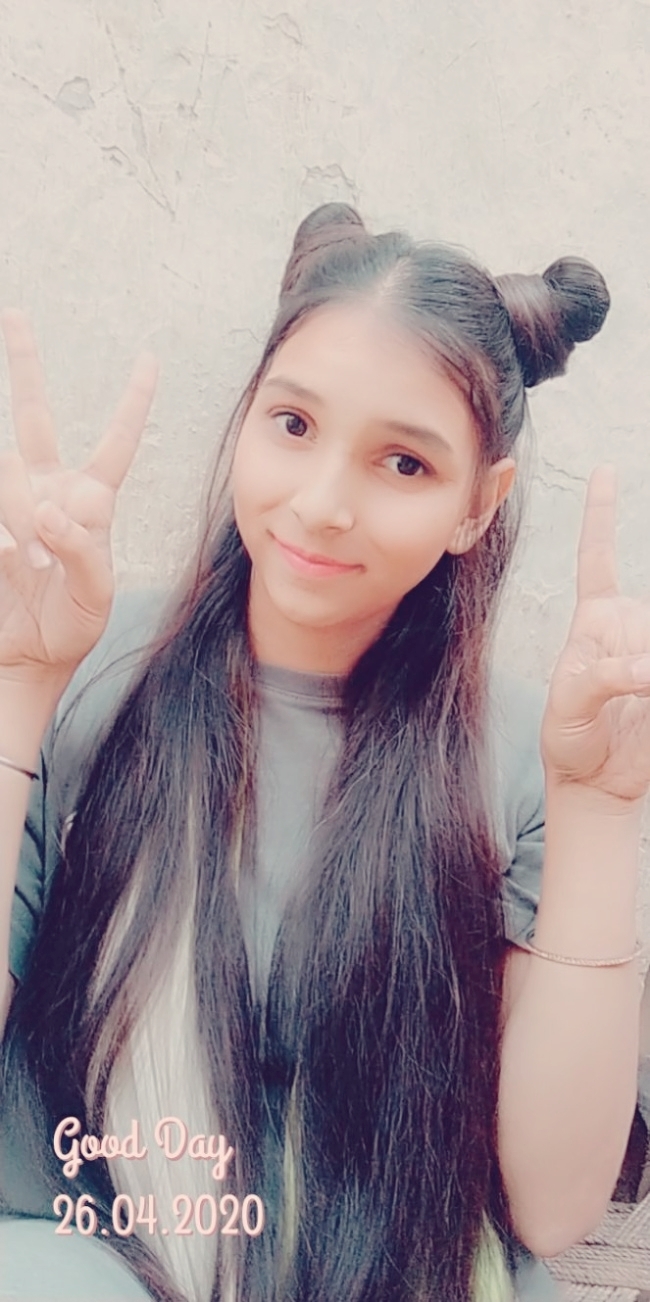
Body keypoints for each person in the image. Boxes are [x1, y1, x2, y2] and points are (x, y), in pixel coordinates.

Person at [0, 202, 648, 1302]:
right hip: (80, 1254)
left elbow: (549, 1205)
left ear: (477, 506)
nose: (321, 503)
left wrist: (601, 812)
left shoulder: (528, 760)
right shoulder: (85, 665)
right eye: (293, 424)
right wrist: (19, 690)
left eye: (403, 462)